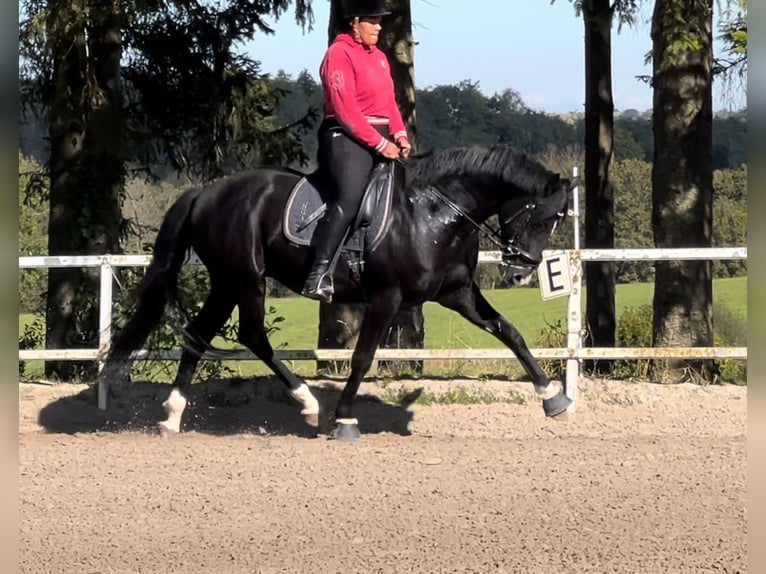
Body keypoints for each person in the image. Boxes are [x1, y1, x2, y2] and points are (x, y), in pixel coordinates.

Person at [301, 0, 412, 303]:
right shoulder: (338, 54)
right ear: (355, 22)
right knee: (349, 198)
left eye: (380, 21)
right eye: (373, 21)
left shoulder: (379, 58)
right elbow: (345, 110)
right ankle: (318, 274)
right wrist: (379, 144)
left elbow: (389, 101)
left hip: (381, 135)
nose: (379, 26)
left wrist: (400, 134)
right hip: (344, 136)